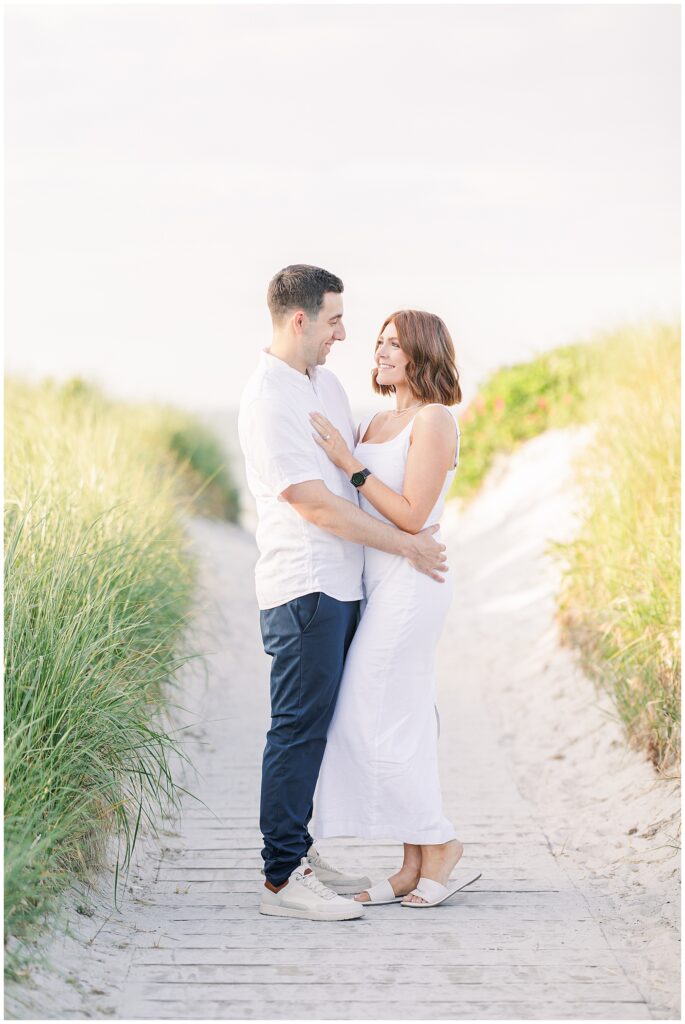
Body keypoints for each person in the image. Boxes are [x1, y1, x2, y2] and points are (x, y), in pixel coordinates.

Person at [237, 265, 449, 922]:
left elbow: (369, 480)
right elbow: (315, 504)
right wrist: (407, 544)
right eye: (334, 319)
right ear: (299, 319)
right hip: (302, 587)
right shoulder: (268, 398)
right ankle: (280, 879)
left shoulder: (324, 384)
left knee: (326, 726)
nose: (345, 334)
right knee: (297, 730)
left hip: (349, 586)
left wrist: (400, 537)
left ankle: (299, 852)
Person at [310, 309, 481, 907]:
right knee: (399, 718)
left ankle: (439, 845)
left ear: (423, 353)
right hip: (374, 581)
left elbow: (411, 514)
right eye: (379, 342)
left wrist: (348, 464)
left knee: (365, 707)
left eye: (394, 345)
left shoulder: (434, 420)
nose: (380, 352)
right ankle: (412, 864)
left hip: (413, 582)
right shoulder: (377, 419)